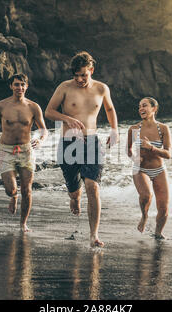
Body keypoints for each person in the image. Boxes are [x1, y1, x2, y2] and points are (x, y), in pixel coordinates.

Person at [45, 51, 119, 247]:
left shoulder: (102, 89)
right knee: (75, 190)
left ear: (91, 70)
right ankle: (74, 197)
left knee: (92, 186)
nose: (79, 79)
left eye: (83, 75)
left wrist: (114, 130)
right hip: (69, 143)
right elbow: (49, 111)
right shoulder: (65, 87)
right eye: (76, 75)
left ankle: (94, 235)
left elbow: (110, 109)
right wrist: (67, 118)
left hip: (92, 141)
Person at [0, 73, 48, 232]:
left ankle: (23, 224)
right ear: (11, 86)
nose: (19, 87)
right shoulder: (1, 105)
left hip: (26, 151)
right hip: (6, 150)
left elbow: (44, 129)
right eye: (16, 84)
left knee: (27, 190)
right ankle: (13, 197)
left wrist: (40, 140)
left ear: (26, 87)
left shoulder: (33, 107)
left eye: (22, 84)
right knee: (11, 189)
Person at [127, 97, 172, 239]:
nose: (141, 109)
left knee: (164, 209)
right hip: (140, 169)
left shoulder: (163, 129)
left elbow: (168, 154)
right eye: (139, 106)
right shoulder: (134, 129)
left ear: (154, 108)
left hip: (159, 170)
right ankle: (144, 216)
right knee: (146, 195)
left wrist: (151, 148)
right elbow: (128, 150)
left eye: (144, 105)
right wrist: (134, 157)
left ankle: (158, 233)